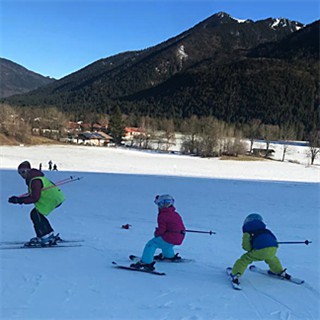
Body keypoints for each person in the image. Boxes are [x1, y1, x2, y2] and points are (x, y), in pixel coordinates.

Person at [8, 161, 65, 245]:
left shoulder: (35, 180)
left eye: (23, 172)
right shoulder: (33, 178)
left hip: (52, 199)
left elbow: (35, 198)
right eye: (19, 173)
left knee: (35, 214)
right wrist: (19, 199)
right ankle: (49, 234)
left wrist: (19, 200)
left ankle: (44, 237)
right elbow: (34, 194)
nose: (21, 175)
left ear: (28, 171)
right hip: (53, 198)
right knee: (37, 214)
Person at [230, 213, 290, 285]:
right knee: (272, 258)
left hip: (260, 250)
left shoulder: (248, 232)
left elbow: (246, 247)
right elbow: (274, 240)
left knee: (245, 259)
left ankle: (236, 274)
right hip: (273, 248)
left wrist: (253, 247)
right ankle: (280, 272)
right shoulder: (265, 230)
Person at [130, 194, 186, 271]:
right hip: (179, 237)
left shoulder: (162, 215)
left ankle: (146, 262)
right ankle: (169, 256)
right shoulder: (175, 214)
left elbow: (162, 229)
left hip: (170, 236)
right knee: (167, 244)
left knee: (151, 244)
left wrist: (157, 233)